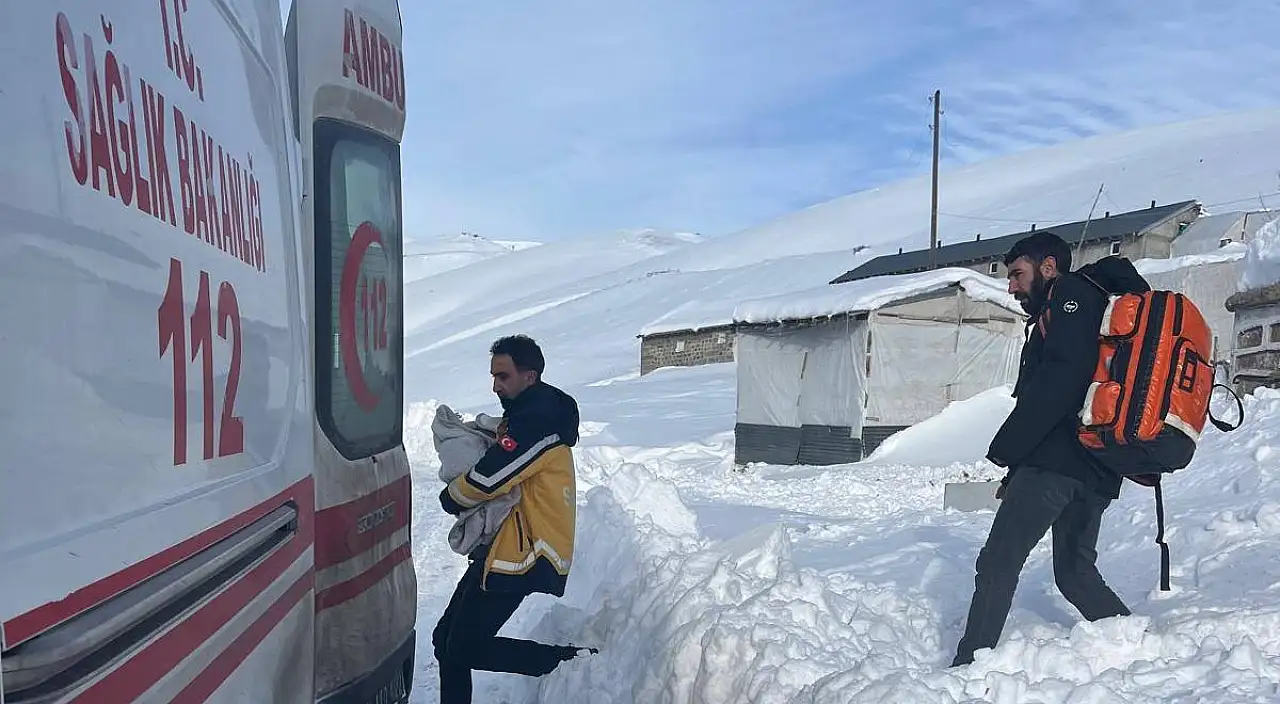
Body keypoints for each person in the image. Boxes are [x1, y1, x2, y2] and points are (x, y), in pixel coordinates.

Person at [950, 232, 1131, 667]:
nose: (1011, 285)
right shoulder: (1089, 304)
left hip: (1056, 464)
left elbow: (1060, 382)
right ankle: (1136, 644)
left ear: (1048, 267)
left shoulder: (1070, 297)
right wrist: (1015, 470)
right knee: (1074, 573)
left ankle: (969, 668)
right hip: (1095, 467)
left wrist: (1007, 451)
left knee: (998, 562)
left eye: (1017, 274)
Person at [434, 334, 593, 702]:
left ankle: (571, 664)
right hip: (507, 547)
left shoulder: (539, 420)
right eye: (493, 376)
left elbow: (491, 476)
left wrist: (452, 496)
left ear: (529, 376)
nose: (495, 386)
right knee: (446, 641)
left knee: (464, 646)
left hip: (529, 552)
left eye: (503, 376)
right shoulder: (528, 413)